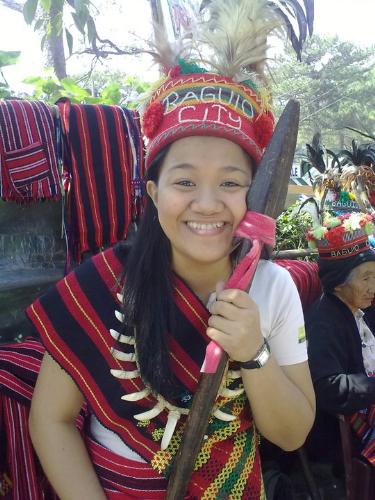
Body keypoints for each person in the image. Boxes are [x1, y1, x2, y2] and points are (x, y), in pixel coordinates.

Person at [25, 1, 315, 498]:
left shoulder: (272, 288)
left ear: (255, 197)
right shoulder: (101, 285)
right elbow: (50, 420)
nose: (207, 204)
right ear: (155, 193)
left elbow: (292, 434)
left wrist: (253, 352)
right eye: (184, 181)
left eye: (230, 182)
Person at [305, 212, 375, 466]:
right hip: (344, 435)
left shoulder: (364, 309)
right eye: (366, 278)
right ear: (338, 284)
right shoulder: (323, 321)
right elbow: (328, 387)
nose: (373, 286)